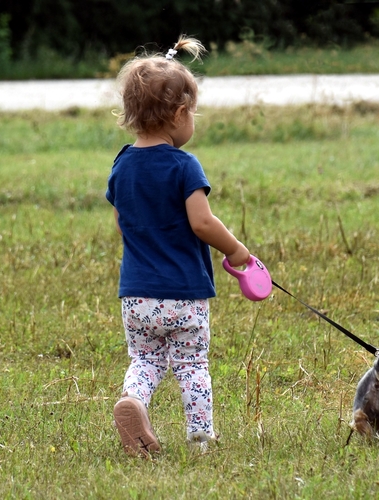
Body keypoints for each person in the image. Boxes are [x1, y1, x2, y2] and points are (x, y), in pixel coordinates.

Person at [105, 35, 250, 457]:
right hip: (183, 294)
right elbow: (202, 221)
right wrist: (237, 251)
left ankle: (133, 402)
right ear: (180, 114)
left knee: (145, 361)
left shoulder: (122, 164)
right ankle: (201, 437)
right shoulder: (184, 165)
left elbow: (121, 223)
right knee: (191, 365)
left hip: (135, 295)